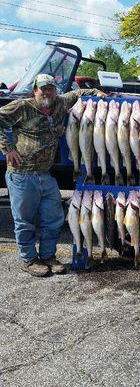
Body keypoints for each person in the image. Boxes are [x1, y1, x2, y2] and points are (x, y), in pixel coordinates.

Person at [0, 74, 107, 277]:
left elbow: (79, 93)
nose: (47, 92)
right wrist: (7, 148)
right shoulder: (22, 107)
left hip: (45, 174)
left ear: (55, 90)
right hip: (22, 175)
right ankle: (29, 260)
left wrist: (97, 92)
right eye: (43, 88)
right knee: (24, 221)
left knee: (54, 218)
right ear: (35, 90)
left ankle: (48, 256)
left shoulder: (60, 102)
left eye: (51, 88)